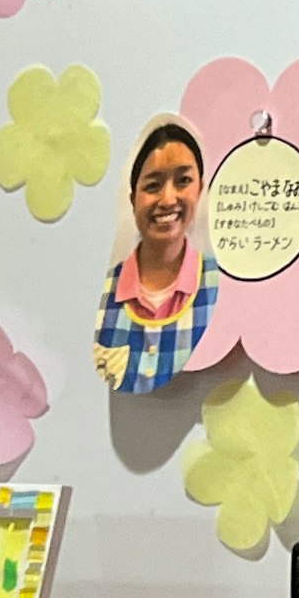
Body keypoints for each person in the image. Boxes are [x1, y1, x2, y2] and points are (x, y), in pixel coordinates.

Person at [93, 115, 214, 394]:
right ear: (133, 197)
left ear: (201, 188)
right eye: (153, 185)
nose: (168, 199)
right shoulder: (107, 293)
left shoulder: (216, 283)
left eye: (183, 180)